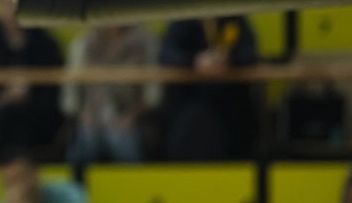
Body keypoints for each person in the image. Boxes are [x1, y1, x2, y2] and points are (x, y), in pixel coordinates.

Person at [0, 0, 64, 161]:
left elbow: (57, 91)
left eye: (19, 4)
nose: (14, 11)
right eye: (9, 5)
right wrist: (0, 98)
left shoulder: (46, 46)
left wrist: (29, 95)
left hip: (36, 118)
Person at [157, 16, 259, 161]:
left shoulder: (234, 19)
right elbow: (166, 56)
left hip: (229, 103)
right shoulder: (182, 22)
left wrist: (228, 59)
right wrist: (195, 61)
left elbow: (250, 55)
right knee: (195, 120)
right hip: (189, 100)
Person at [61, 24, 159, 167]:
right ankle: (75, 180)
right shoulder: (83, 43)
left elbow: (153, 95)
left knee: (119, 139)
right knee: (87, 138)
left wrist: (133, 115)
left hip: (131, 119)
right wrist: (82, 113)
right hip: (91, 117)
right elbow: (70, 94)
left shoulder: (145, 43)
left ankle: (133, 179)